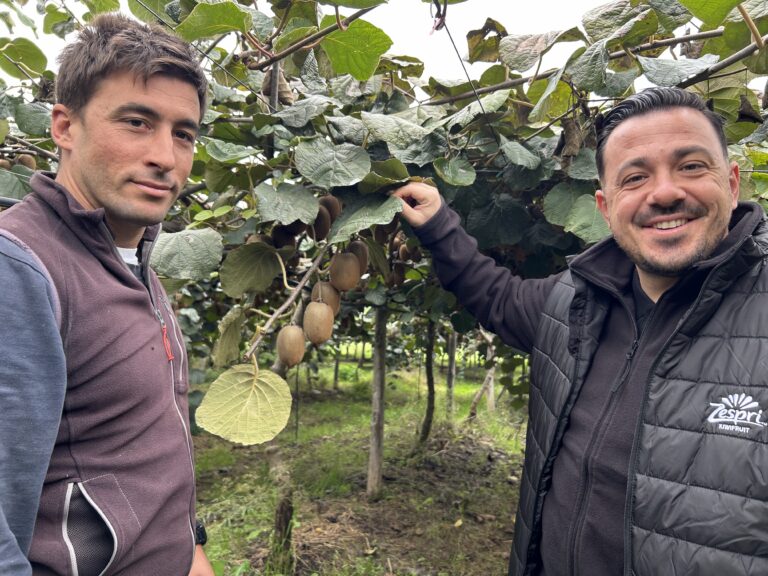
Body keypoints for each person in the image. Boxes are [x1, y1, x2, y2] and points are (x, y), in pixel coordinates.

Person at [395, 87, 768, 576]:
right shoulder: (575, 301)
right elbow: (498, 297)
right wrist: (438, 224)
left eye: (692, 167)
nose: (665, 193)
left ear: (734, 183)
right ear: (605, 206)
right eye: (635, 177)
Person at [0, 13, 214, 575]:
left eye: (183, 133)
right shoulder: (19, 269)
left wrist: (190, 547)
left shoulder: (135, 259)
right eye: (137, 122)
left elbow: (140, 439)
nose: (166, 157)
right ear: (65, 127)